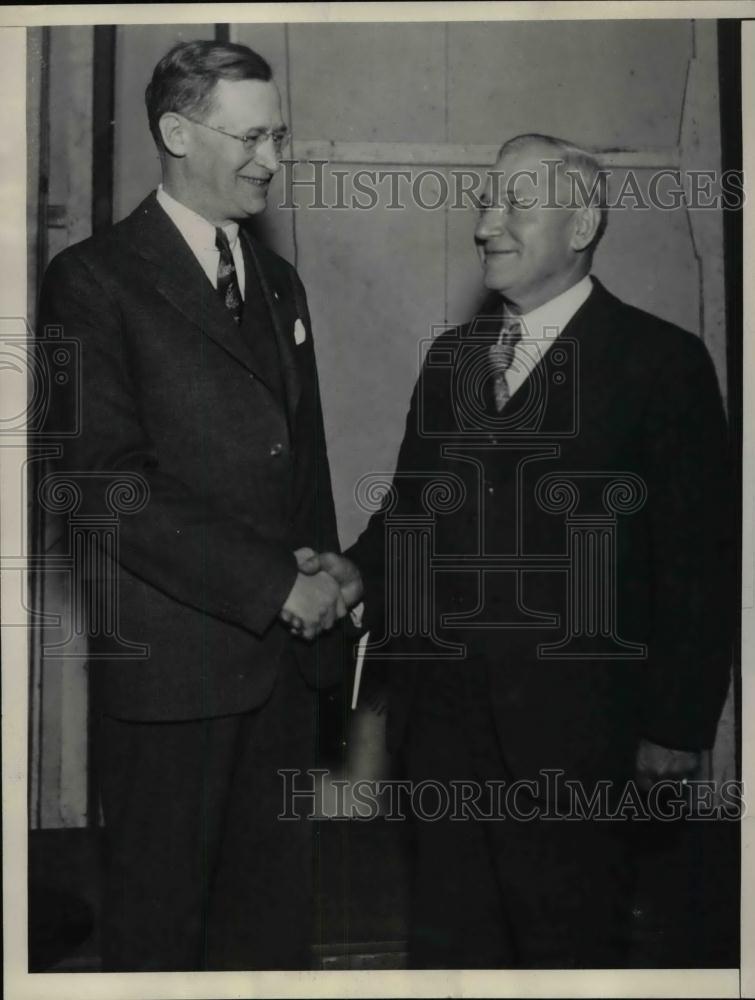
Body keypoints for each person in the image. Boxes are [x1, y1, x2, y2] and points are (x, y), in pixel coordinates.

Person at [309, 134, 735, 967]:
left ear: (581, 226)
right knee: (452, 953)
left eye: (514, 203)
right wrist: (356, 572)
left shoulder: (661, 363)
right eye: (483, 201)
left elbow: (698, 564)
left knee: (567, 954)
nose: (485, 224)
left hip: (584, 746)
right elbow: (411, 519)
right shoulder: (452, 360)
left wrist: (673, 729)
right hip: (442, 738)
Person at [38, 40, 361, 971]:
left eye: (280, 135)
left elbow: (299, 459)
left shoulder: (277, 282)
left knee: (268, 941)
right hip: (173, 685)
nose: (272, 158)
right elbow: (99, 481)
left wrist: (329, 570)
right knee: (160, 942)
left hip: (283, 674)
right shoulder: (92, 280)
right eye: (250, 135)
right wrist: (269, 583)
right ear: (177, 133)